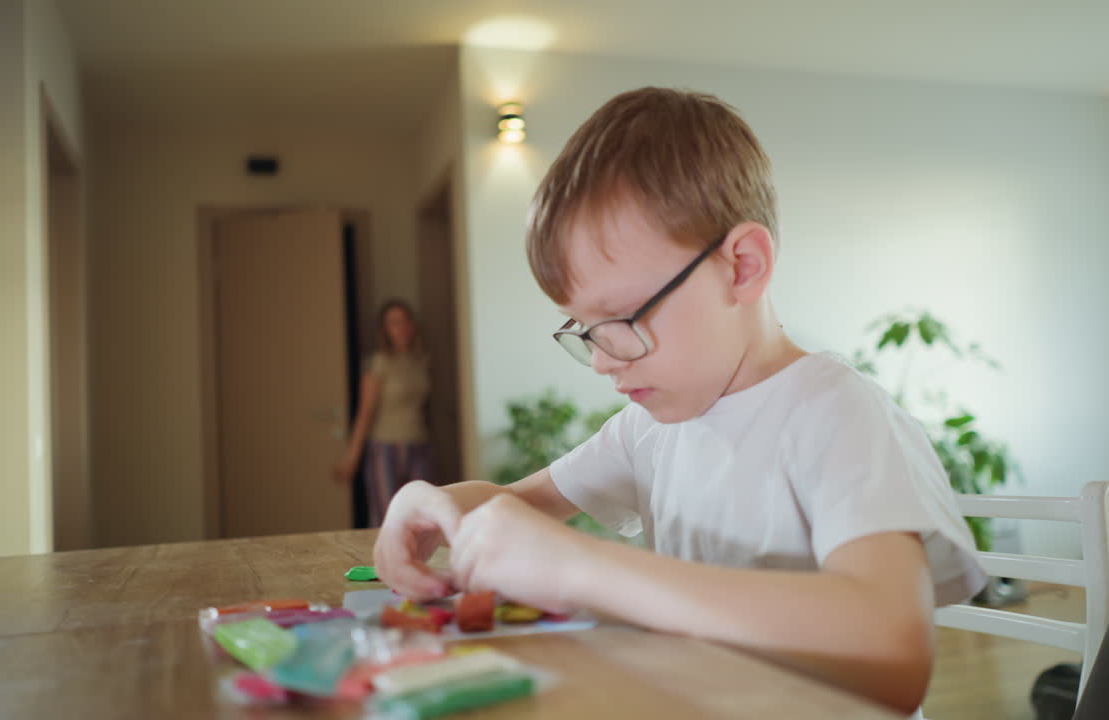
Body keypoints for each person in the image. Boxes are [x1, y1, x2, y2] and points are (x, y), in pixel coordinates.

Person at [372, 87, 985, 714]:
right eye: (584, 329)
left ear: (742, 266)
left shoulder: (835, 413)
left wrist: (586, 569)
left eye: (619, 317)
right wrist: (429, 506)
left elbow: (894, 652)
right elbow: (517, 507)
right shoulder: (649, 428)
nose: (604, 359)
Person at [334, 299, 431, 527]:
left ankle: (415, 563)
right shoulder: (378, 363)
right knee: (387, 517)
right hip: (385, 448)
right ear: (385, 330)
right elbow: (365, 412)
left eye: (406, 320)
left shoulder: (421, 360)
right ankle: (384, 563)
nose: (402, 327)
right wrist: (352, 458)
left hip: (420, 445)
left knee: (422, 515)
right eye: (395, 323)